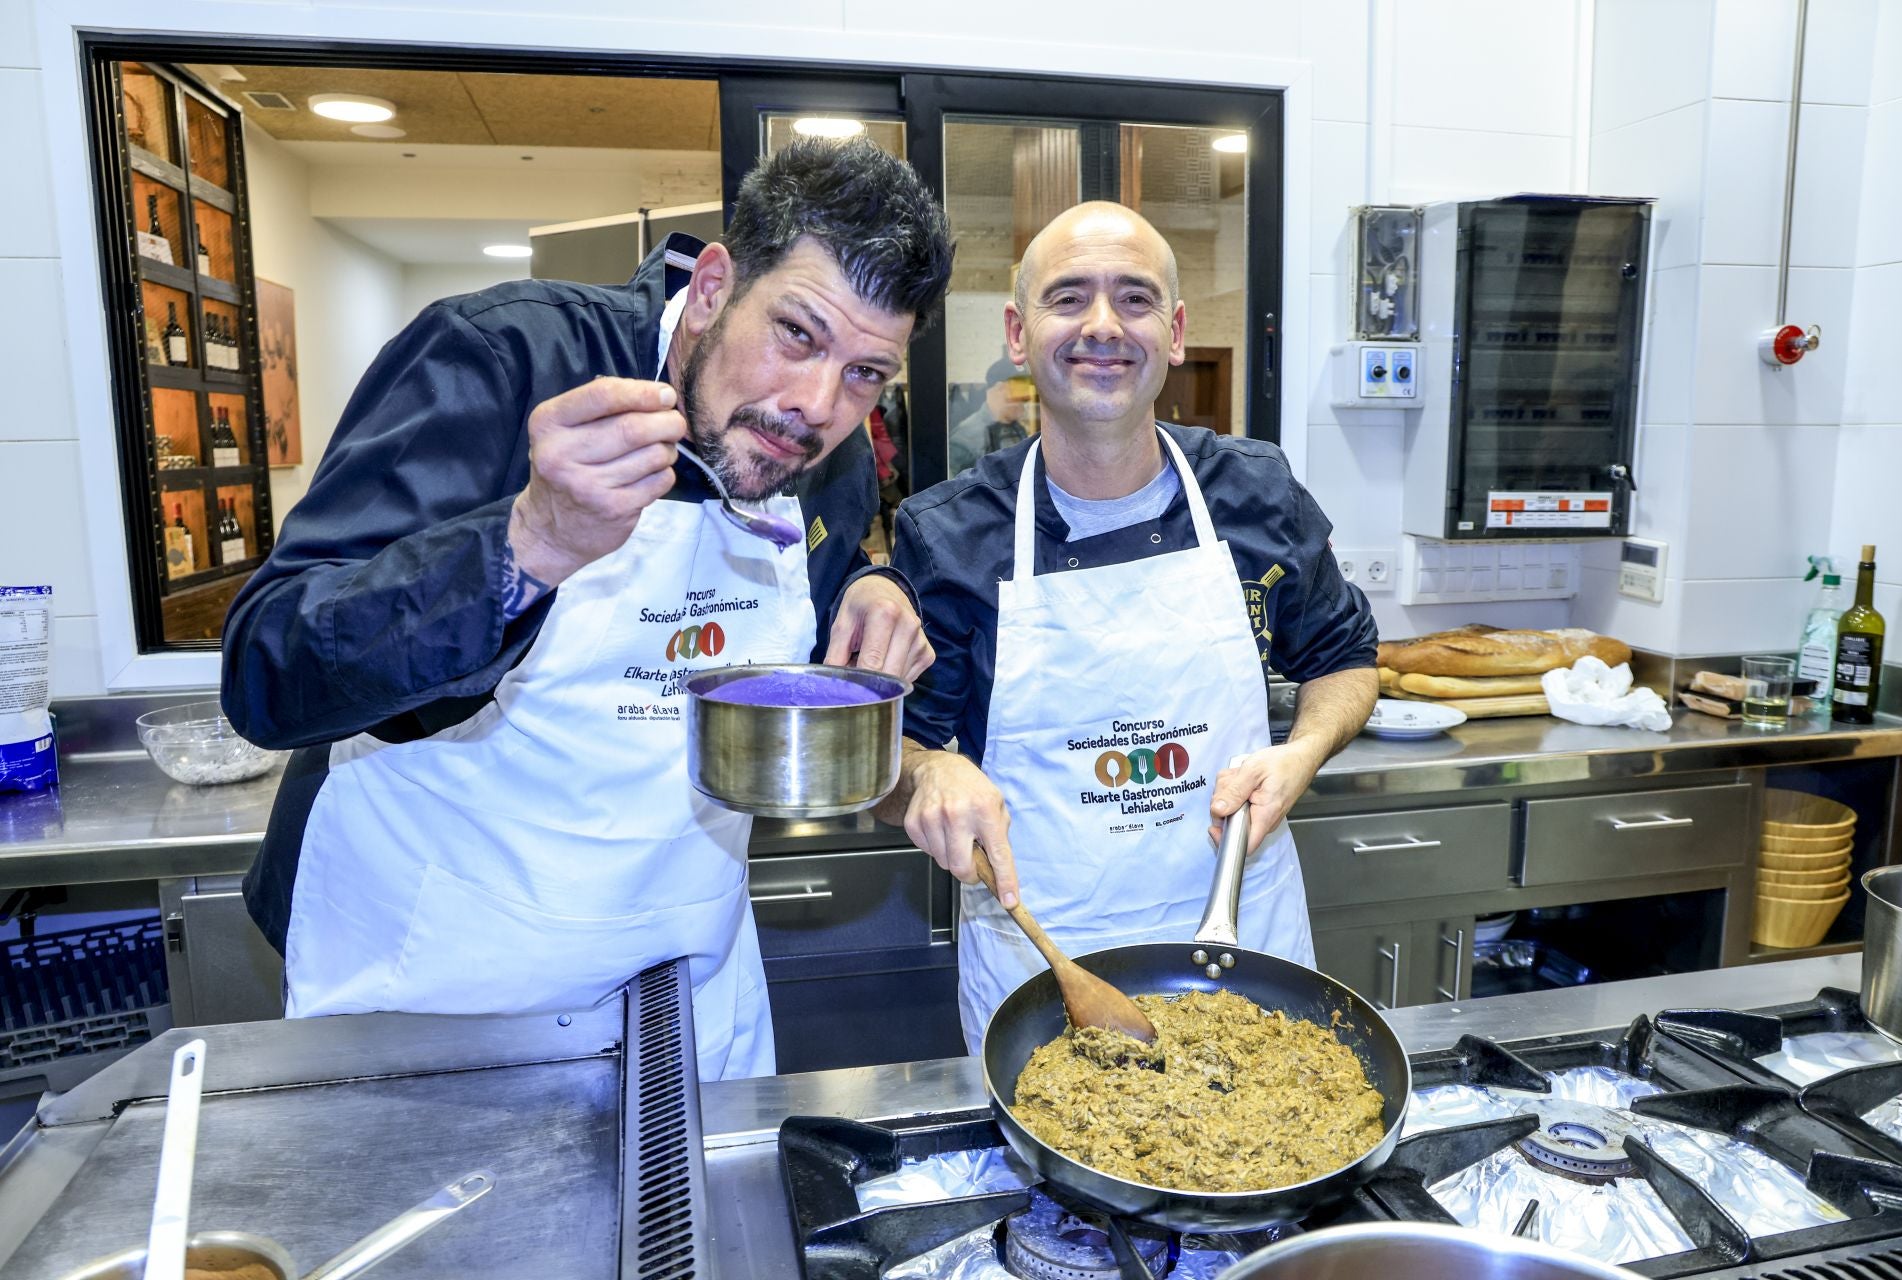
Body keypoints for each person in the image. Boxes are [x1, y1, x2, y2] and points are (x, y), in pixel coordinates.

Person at [222, 140, 954, 1080]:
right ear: (714, 285)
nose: (814, 404)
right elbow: (267, 669)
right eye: (798, 334)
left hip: (681, 987)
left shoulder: (824, 452)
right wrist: (527, 544)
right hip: (442, 986)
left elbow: (823, 559)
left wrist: (867, 583)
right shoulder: (501, 357)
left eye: (865, 373)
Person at [878, 201, 1379, 1050]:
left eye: (1135, 299)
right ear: (1018, 330)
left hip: (1244, 944)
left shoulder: (1255, 494)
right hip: (1044, 973)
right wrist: (928, 774)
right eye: (1068, 298)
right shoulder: (947, 536)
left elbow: (1348, 656)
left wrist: (1302, 752)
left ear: (1176, 332)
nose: (1102, 326)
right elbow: (893, 764)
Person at [947, 357, 1029, 476]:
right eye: (1020, 390)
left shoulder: (1017, 430)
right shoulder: (965, 437)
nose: (1025, 398)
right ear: (1001, 389)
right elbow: (956, 490)